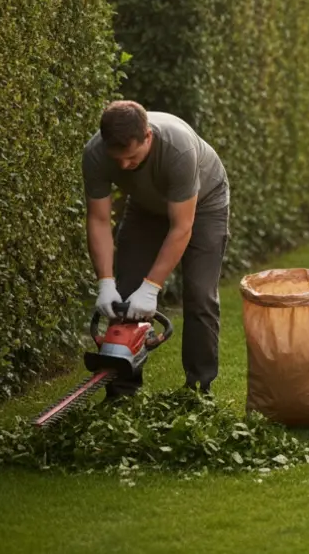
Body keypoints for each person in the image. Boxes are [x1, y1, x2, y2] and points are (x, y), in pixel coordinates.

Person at [81, 100, 230, 398]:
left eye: (132, 157)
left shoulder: (178, 150)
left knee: (200, 294)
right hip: (145, 207)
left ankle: (198, 391)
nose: (124, 166)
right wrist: (105, 283)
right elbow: (98, 220)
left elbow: (181, 227)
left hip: (204, 205)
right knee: (124, 293)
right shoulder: (95, 154)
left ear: (148, 136)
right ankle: (121, 394)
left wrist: (151, 288)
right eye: (117, 158)